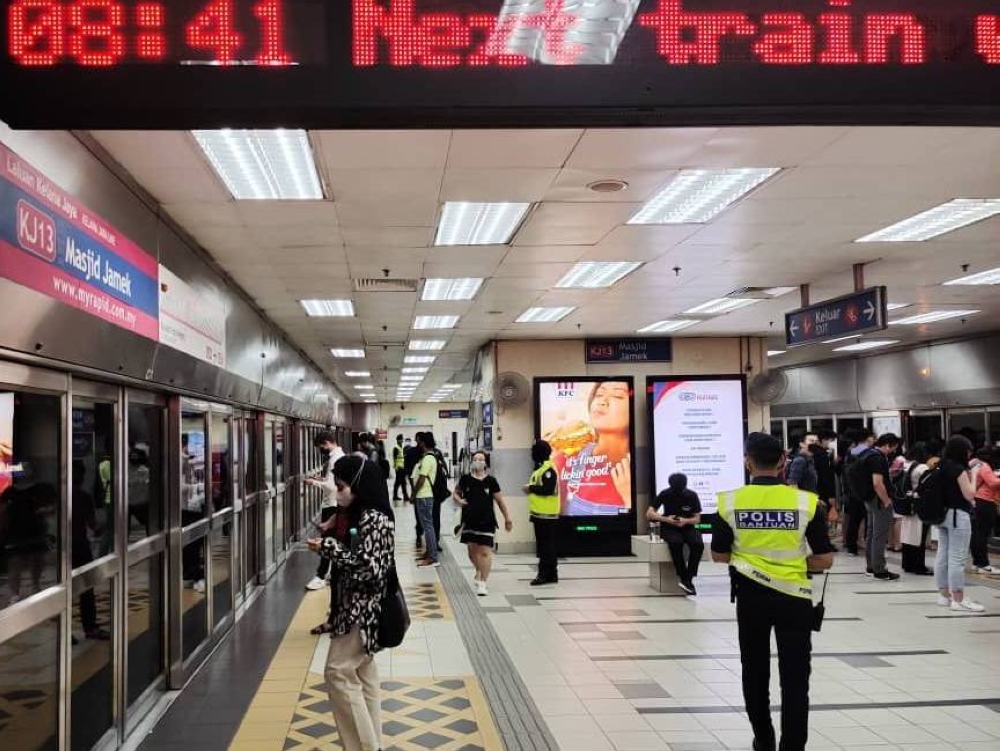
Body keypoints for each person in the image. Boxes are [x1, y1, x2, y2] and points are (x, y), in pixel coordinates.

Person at [712, 433, 834, 751]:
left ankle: (763, 740)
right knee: (795, 678)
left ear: (747, 462)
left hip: (751, 598)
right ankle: (792, 745)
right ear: (783, 462)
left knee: (754, 671)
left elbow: (719, 555)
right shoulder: (806, 503)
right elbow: (824, 559)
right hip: (795, 599)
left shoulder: (729, 502)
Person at [307, 455, 394, 751]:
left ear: (357, 485)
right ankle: (373, 743)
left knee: (338, 672)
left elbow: (371, 568)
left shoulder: (375, 518)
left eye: (342, 486)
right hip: (353, 607)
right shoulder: (358, 514)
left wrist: (329, 547)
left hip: (362, 609)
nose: (339, 491)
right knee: (362, 674)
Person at [549, 381, 632, 515]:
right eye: (599, 395)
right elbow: (555, 521)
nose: (602, 402)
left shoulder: (638, 467)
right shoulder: (566, 459)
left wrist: (629, 499)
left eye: (617, 395)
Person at [933, 435, 983, 612]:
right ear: (963, 451)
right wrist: (975, 475)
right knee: (957, 557)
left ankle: (944, 596)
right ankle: (958, 599)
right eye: (968, 451)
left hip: (941, 515)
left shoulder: (940, 466)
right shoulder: (958, 470)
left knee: (943, 555)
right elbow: (969, 494)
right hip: (958, 515)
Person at [454, 451, 512, 596]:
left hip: (487, 522)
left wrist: (507, 518)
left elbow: (500, 501)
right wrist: (459, 500)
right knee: (472, 552)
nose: (478, 461)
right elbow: (455, 493)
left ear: (486, 463)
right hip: (469, 521)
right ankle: (479, 570)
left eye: (481, 459)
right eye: (475, 459)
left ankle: (482, 583)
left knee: (485, 552)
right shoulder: (465, 479)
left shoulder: (491, 481)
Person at [647, 473, 704, 595]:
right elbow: (650, 513)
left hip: (688, 527)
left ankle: (689, 578)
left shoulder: (691, 495)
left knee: (698, 544)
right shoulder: (665, 494)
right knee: (675, 543)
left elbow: (697, 518)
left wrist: (685, 521)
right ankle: (683, 577)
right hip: (669, 527)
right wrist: (667, 519)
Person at [72, 460, 110, 640]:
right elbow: (93, 525)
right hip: (80, 546)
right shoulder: (84, 497)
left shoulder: (60, 496)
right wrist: (105, 526)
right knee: (86, 587)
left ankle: (65, 632)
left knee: (64, 589)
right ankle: (90, 627)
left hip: (64, 550)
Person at [304, 430, 345, 591]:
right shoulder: (337, 456)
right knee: (331, 540)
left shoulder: (335, 459)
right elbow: (331, 480)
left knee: (327, 540)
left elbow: (332, 486)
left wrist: (313, 483)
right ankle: (330, 573)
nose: (321, 450)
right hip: (332, 503)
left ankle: (321, 576)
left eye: (321, 446)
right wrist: (320, 479)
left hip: (332, 504)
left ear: (327, 443)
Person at [859, 433, 901, 581]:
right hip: (879, 500)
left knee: (871, 533)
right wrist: (886, 500)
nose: (893, 452)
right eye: (893, 448)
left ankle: (871, 566)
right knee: (880, 535)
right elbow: (877, 482)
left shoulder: (868, 454)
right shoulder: (878, 458)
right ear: (887, 444)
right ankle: (880, 569)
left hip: (869, 499)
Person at [525, 440, 559, 586]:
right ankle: (552, 574)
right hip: (540, 514)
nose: (532, 454)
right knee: (546, 545)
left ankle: (543, 574)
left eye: (533, 451)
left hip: (547, 515)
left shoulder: (548, 470)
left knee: (546, 546)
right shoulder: (540, 469)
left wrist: (530, 488)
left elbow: (548, 489)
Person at [899, 444, 933, 575]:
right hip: (920, 505)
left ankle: (907, 564)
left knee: (908, 537)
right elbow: (928, 486)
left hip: (910, 503)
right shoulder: (923, 468)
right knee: (920, 537)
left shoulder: (912, 466)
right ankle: (919, 566)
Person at [842, 428, 875, 556]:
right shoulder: (867, 453)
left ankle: (852, 547)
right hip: (864, 491)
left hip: (852, 492)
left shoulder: (851, 452)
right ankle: (868, 546)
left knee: (854, 521)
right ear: (867, 438)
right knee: (868, 521)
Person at [412, 432, 440, 567]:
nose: (417, 444)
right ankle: (429, 552)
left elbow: (422, 479)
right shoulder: (427, 457)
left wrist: (413, 493)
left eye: (419, 441)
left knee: (428, 527)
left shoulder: (429, 458)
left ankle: (433, 557)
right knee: (427, 525)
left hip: (424, 496)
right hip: (423, 496)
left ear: (423, 442)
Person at [970, 447, 1000, 574]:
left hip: (976, 500)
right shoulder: (984, 466)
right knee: (983, 534)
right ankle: (984, 565)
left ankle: (977, 563)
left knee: (976, 533)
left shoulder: (972, 464)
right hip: (985, 501)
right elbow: (993, 483)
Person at [391, 435, 409, 503]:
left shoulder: (401, 447)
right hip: (399, 468)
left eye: (402, 439)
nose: (402, 440)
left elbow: (401, 457)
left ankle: (402, 496)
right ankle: (402, 496)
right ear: (398, 440)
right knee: (399, 482)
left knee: (401, 482)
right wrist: (396, 467)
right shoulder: (396, 448)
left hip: (402, 467)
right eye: (401, 439)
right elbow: (395, 458)